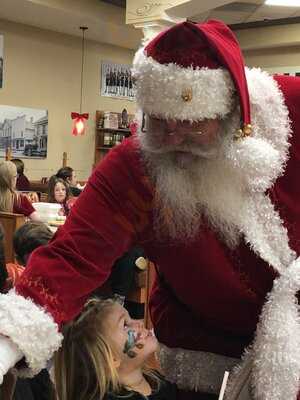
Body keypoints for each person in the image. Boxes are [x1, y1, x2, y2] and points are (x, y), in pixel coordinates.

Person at [0, 19, 300, 400]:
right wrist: (5, 346)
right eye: (159, 124)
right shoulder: (136, 169)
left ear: (231, 115)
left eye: (191, 126)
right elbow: (72, 256)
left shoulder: (290, 111)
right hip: (205, 359)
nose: (173, 140)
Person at [54, 297, 177, 400]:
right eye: (125, 325)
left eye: (130, 318)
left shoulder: (157, 381)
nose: (139, 323)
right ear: (111, 358)